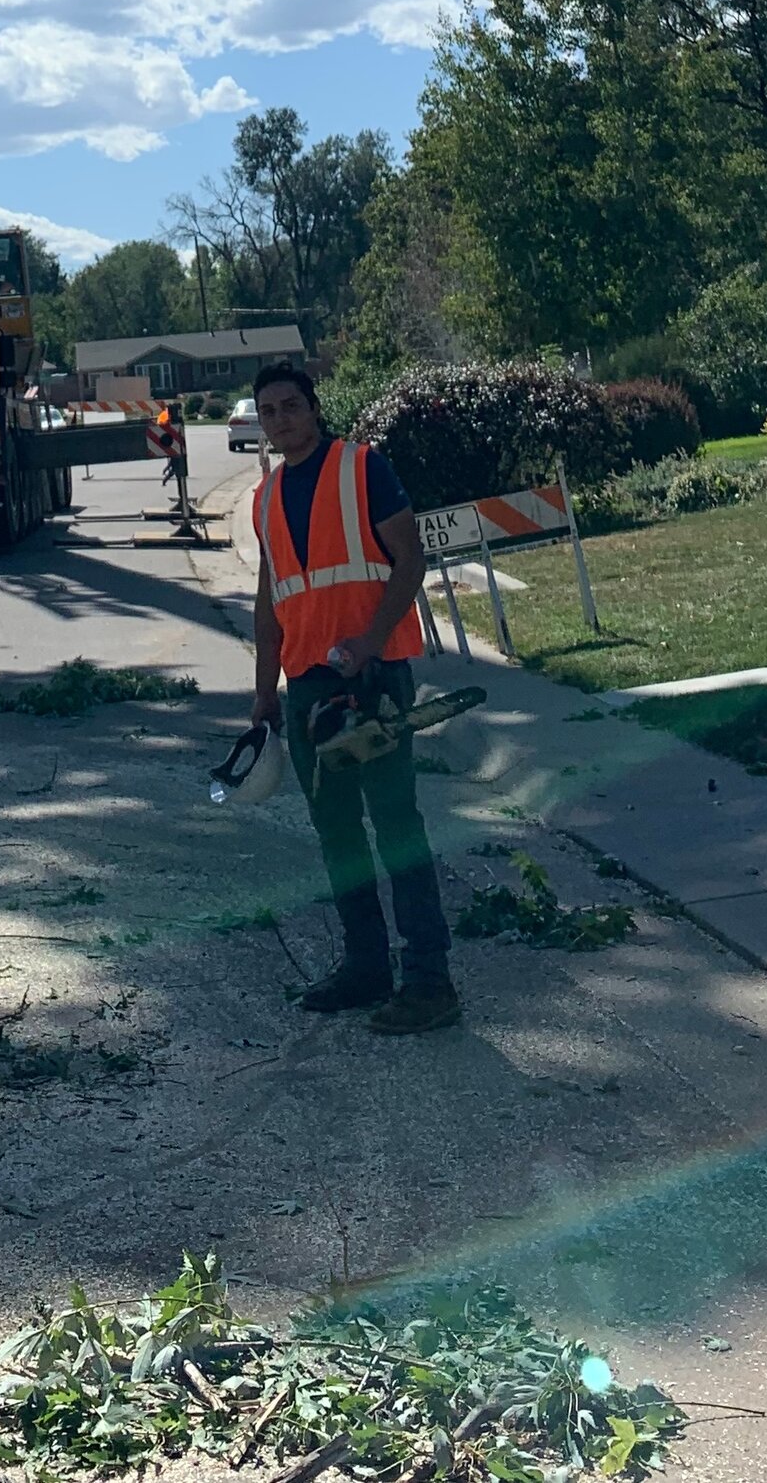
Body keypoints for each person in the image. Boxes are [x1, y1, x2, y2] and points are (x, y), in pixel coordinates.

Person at [247, 366, 458, 1033]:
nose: (280, 419)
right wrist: (264, 691)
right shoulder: (266, 496)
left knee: (396, 822)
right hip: (308, 681)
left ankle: (430, 979)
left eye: (290, 406)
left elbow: (410, 559)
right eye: (268, 411)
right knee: (336, 830)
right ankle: (367, 965)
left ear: (314, 409)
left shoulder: (363, 468)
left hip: (375, 674)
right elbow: (268, 599)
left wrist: (368, 640)